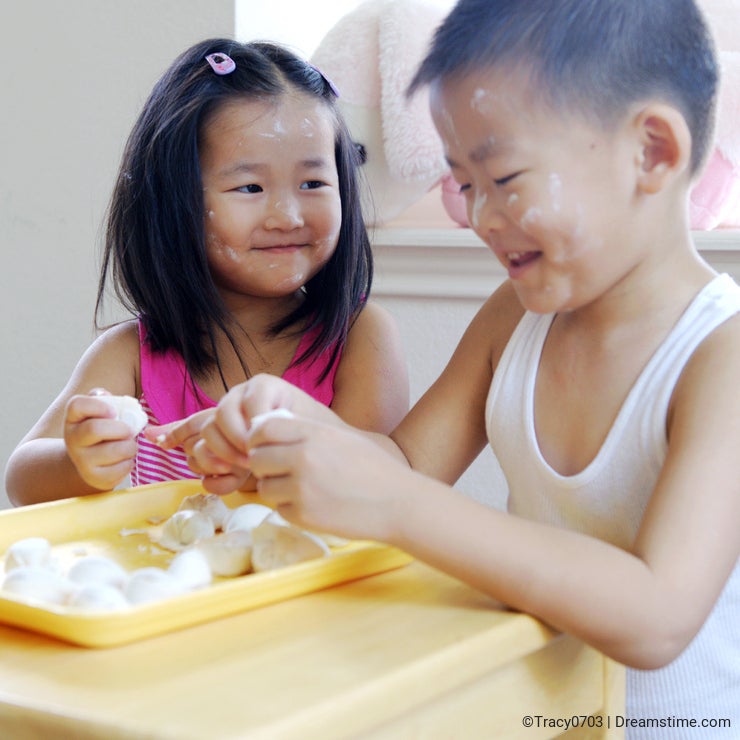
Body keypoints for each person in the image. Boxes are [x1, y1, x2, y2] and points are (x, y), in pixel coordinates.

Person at [163, 1, 740, 734]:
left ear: (652, 152)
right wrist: (290, 429)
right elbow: (406, 460)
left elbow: (658, 617)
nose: (474, 215)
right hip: (537, 715)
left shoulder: (722, 354)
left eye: (503, 177)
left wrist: (396, 505)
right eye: (463, 185)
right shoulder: (517, 316)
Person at [4, 39, 408, 506]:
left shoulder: (362, 336)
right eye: (250, 186)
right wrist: (78, 461)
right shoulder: (132, 355)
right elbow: (21, 481)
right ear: (174, 203)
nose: (287, 215)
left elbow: (375, 484)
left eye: (313, 183)